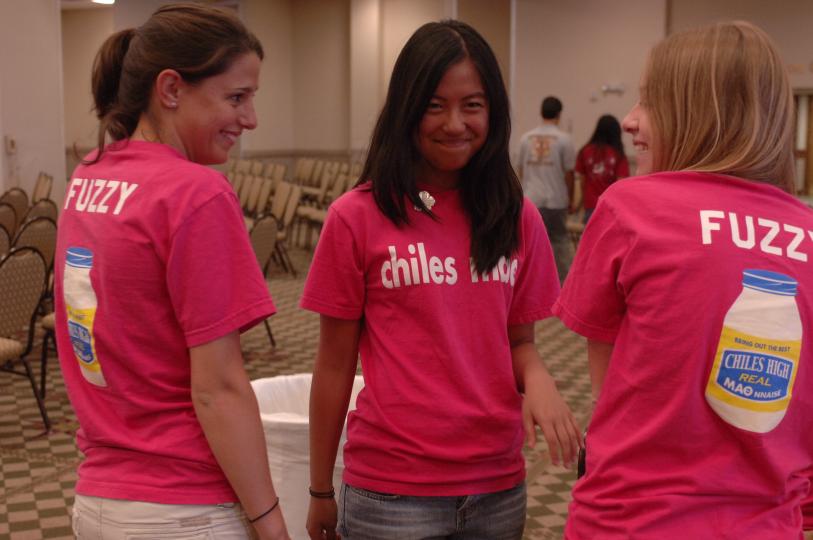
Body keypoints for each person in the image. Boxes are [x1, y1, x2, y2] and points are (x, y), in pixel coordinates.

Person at [301, 20, 581, 540]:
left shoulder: (515, 216)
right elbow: (334, 366)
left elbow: (519, 342)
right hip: (392, 494)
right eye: (435, 105)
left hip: (497, 488)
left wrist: (539, 379)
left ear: (493, 111)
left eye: (472, 105)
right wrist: (320, 488)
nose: (455, 124)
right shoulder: (357, 217)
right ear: (406, 109)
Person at [553, 21, 813, 539]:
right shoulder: (807, 233)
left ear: (700, 113)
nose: (629, 120)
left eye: (649, 102)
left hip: (631, 521)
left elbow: (606, 396)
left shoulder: (630, 208)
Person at [54, 4, 289, 539]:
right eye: (236, 97)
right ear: (171, 89)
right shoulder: (196, 194)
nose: (251, 119)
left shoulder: (89, 176)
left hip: (99, 498)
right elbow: (218, 389)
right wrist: (270, 521)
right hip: (181, 506)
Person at [517, 96, 577, 283]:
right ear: (559, 114)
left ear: (541, 112)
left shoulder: (525, 138)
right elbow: (569, 173)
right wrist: (570, 198)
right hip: (556, 200)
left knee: (530, 244)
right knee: (559, 242)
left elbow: (520, 170)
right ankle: (564, 285)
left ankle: (532, 281)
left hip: (531, 200)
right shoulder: (564, 139)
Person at [574, 114, 629, 223]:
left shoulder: (585, 151)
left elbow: (582, 181)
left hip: (590, 205)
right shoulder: (618, 154)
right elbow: (621, 183)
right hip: (611, 206)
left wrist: (581, 202)